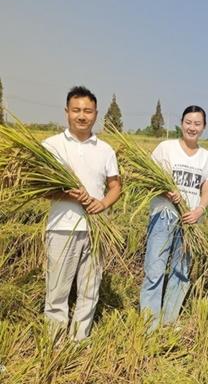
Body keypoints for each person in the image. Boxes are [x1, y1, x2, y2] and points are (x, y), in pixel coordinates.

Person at [42, 86, 121, 341]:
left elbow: (115, 186)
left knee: (89, 289)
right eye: (76, 110)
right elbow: (42, 189)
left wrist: (103, 204)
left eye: (87, 110)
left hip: (96, 229)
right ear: (66, 112)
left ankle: (79, 340)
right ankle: (53, 342)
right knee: (57, 290)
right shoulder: (51, 146)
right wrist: (69, 194)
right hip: (61, 227)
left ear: (96, 114)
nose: (82, 115)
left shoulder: (105, 149)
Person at [140, 105, 208, 331]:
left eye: (197, 124)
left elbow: (207, 188)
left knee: (181, 271)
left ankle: (169, 320)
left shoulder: (206, 157)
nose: (192, 127)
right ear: (181, 123)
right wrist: (165, 192)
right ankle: (149, 324)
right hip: (163, 216)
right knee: (154, 269)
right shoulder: (166, 148)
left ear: (203, 127)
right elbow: (149, 178)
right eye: (188, 122)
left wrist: (199, 210)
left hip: (190, 221)